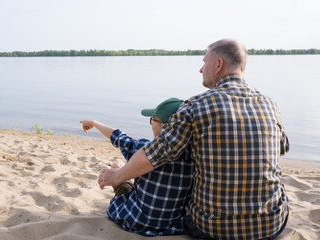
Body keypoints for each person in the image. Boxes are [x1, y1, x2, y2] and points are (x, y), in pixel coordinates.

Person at [98, 39, 290, 239]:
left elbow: (152, 156)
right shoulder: (270, 104)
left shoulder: (195, 106)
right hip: (271, 226)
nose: (200, 69)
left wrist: (117, 177)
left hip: (210, 229)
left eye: (204, 62)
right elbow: (282, 148)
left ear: (218, 65)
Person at [80, 98, 194, 236]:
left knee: (118, 166)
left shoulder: (145, 149)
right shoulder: (195, 157)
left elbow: (120, 139)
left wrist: (94, 123)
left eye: (153, 120)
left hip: (135, 220)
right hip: (171, 225)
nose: (151, 124)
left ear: (164, 126)